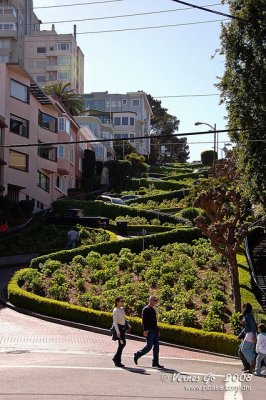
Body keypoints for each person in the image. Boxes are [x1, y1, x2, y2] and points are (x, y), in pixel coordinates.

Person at [134, 295, 164, 369]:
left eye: (156, 300)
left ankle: (155, 362)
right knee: (149, 347)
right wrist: (145, 330)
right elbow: (144, 321)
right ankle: (137, 354)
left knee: (156, 347)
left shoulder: (153, 310)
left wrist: (158, 331)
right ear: (150, 300)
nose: (155, 302)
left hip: (155, 331)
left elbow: (155, 322)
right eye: (154, 300)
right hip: (149, 330)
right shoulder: (146, 309)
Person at [112, 296, 129, 367]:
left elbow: (124, 319)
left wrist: (127, 325)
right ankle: (117, 360)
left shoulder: (122, 309)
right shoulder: (115, 310)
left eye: (123, 301)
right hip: (119, 329)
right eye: (121, 301)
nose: (123, 302)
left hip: (122, 329)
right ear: (117, 302)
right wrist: (117, 332)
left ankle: (116, 359)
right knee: (122, 344)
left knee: (122, 344)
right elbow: (115, 322)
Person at [239, 303, 257, 373]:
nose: (242, 308)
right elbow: (251, 325)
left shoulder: (248, 315)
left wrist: (254, 336)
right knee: (250, 350)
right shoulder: (249, 315)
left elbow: (252, 326)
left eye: (243, 307)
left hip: (250, 334)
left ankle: (253, 362)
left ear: (245, 308)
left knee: (243, 349)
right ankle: (251, 368)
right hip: (251, 334)